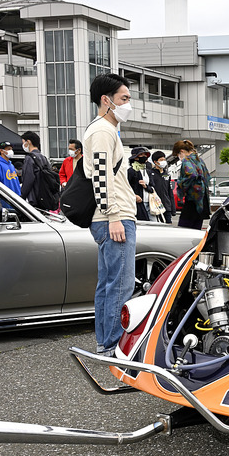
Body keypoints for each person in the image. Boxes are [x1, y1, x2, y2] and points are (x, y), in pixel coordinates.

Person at [84, 72, 136, 356]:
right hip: (113, 218)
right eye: (123, 99)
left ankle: (105, 343)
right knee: (120, 284)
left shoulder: (102, 129)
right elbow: (101, 177)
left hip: (107, 216)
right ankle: (115, 345)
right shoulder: (103, 130)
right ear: (106, 100)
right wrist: (114, 214)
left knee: (108, 283)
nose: (129, 104)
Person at [171, 139, 210, 230]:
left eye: (178, 155)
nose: (179, 157)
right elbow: (207, 176)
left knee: (183, 229)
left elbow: (192, 174)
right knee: (196, 231)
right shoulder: (199, 160)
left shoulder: (187, 161)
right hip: (202, 200)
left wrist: (181, 183)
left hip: (192, 199)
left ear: (182, 151)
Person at [19, 130, 51, 208]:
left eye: (23, 142)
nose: (23, 145)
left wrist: (22, 196)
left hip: (33, 199)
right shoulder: (44, 158)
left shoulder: (29, 158)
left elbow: (28, 180)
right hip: (45, 197)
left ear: (28, 142)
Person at [127, 146, 152, 221]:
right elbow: (126, 186)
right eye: (141, 155)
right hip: (137, 202)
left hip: (150, 202)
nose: (144, 157)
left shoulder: (148, 171)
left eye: (145, 155)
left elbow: (152, 187)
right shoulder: (131, 171)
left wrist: (146, 186)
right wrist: (134, 196)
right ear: (135, 157)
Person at [149, 150, 175, 223]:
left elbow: (170, 192)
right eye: (161, 160)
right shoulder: (150, 173)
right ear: (155, 162)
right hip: (156, 206)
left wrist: (173, 208)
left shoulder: (167, 175)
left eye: (164, 159)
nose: (163, 161)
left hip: (167, 206)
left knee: (169, 226)